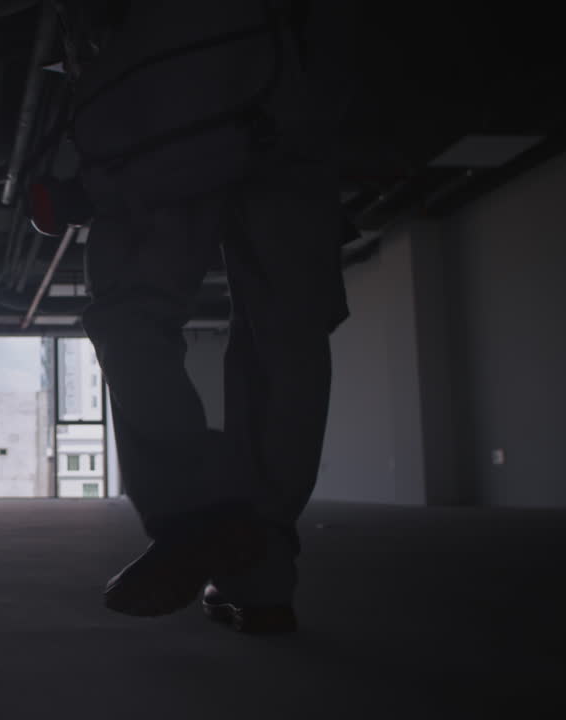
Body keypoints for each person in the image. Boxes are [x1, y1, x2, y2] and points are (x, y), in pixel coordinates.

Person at [60, 0, 359, 633]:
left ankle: (198, 511)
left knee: (130, 310)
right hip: (287, 76)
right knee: (286, 331)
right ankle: (262, 575)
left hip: (166, 84)